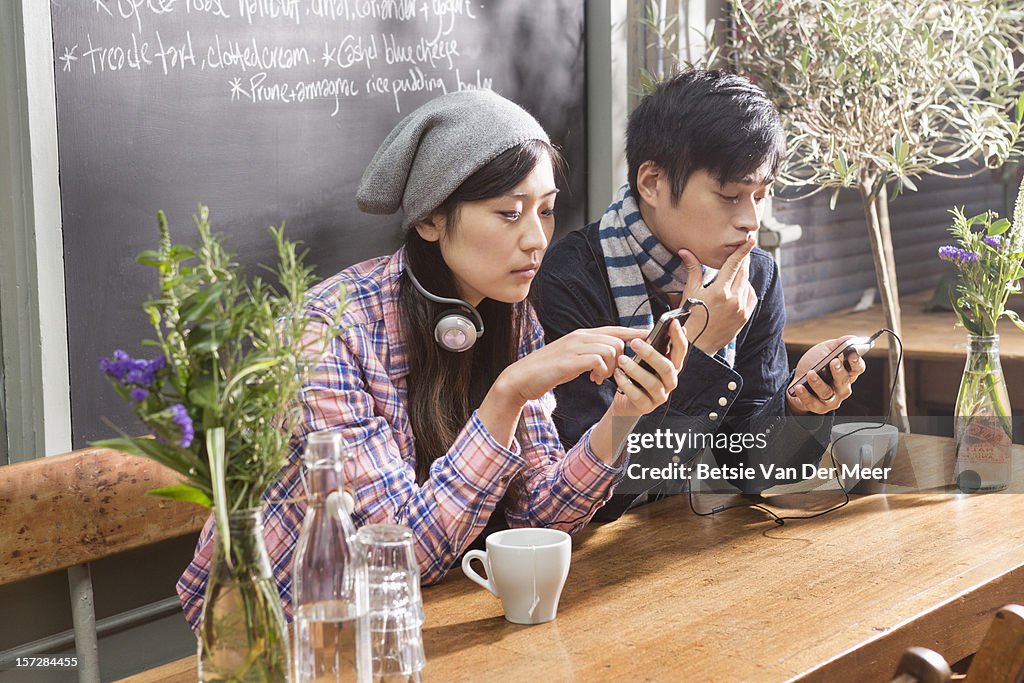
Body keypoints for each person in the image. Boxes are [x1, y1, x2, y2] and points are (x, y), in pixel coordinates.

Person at [176, 89, 688, 627]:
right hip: (279, 633)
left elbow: (538, 515)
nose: (536, 239)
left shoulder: (511, 315)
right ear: (430, 221)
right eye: (509, 214)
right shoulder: (324, 337)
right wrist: (508, 393)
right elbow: (400, 555)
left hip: (404, 620)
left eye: (546, 211)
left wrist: (624, 416)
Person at [535, 69, 866, 519]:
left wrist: (799, 406)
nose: (750, 219)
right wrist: (700, 343)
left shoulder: (755, 279)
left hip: (686, 545)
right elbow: (595, 496)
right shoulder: (567, 280)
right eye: (730, 195)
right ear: (651, 183)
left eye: (761, 195)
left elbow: (751, 469)